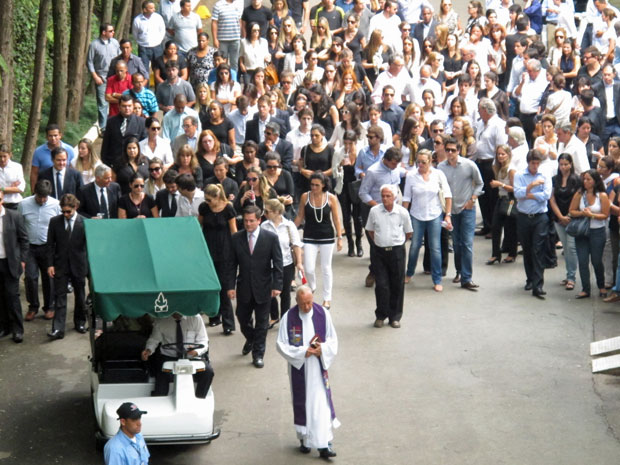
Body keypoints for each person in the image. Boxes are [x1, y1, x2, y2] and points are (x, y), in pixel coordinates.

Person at [276, 285, 339, 460]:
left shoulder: (322, 314)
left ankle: (324, 444)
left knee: (321, 405)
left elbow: (333, 340)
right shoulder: (288, 318)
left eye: (310, 302)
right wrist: (303, 352)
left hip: (318, 369)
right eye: (303, 304)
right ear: (297, 301)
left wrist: (322, 350)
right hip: (300, 369)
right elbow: (281, 345)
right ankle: (304, 439)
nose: (307, 307)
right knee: (302, 403)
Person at [227, 206, 284, 369]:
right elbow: (231, 264)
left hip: (264, 287)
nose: (248, 224)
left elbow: (278, 263)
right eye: (245, 220)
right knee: (242, 317)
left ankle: (258, 354)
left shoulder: (270, 238)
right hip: (244, 286)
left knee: (262, 323)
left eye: (251, 220)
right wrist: (230, 286)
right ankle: (251, 338)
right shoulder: (236, 238)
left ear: (259, 220)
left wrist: (277, 284)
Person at [438, 137, 484, 289]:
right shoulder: (440, 168)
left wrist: (473, 198)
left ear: (459, 151)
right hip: (451, 210)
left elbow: (479, 183)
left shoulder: (469, 165)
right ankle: (459, 271)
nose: (450, 153)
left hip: (467, 209)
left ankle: (467, 277)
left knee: (467, 243)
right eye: (448, 150)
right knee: (457, 243)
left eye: (453, 150)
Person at [402, 150, 452, 292]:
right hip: (416, 215)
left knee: (435, 247)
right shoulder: (411, 176)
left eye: (423, 162)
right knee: (414, 246)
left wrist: (447, 215)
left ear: (430, 161)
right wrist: (403, 218)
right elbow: (407, 198)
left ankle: (437, 279)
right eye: (418, 162)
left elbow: (448, 195)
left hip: (434, 214)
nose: (420, 165)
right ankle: (409, 272)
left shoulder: (438, 174)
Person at [366, 184, 412, 328]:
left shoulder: (402, 212)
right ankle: (381, 315)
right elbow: (370, 230)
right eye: (383, 196)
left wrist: (396, 243)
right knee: (381, 285)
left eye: (388, 196)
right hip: (379, 252)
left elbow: (408, 232)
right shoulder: (374, 211)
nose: (385, 199)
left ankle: (395, 316)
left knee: (397, 283)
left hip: (397, 251)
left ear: (395, 197)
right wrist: (380, 242)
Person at [295, 172, 343, 309]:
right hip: (310, 236)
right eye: (312, 185)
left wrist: (339, 237)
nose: (314, 187)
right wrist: (291, 230)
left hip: (327, 236)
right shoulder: (305, 196)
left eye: (317, 185)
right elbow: (300, 216)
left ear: (323, 185)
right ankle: (312, 286)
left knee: (326, 268)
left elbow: (336, 218)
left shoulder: (331, 198)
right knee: (309, 268)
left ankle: (327, 298)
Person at [141, 312, 214, 398]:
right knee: (161, 377)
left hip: (191, 357)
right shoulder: (161, 321)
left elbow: (203, 340)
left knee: (208, 372)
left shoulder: (195, 318)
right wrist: (148, 350)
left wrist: (196, 351)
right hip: (169, 358)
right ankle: (160, 401)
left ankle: (200, 397)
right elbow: (154, 339)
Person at [46, 194, 88, 339]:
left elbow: (89, 247)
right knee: (60, 297)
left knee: (80, 296)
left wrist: (88, 267)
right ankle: (58, 328)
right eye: (63, 211)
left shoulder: (84, 222)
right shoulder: (55, 222)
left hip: (79, 264)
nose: (65, 214)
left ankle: (80, 322)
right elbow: (50, 244)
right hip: (61, 264)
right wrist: (50, 264)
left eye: (68, 212)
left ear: (75, 207)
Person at [514, 150, 553, 299]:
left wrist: (528, 195)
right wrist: (531, 186)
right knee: (527, 248)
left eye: (537, 163)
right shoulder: (519, 175)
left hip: (540, 217)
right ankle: (530, 278)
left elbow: (546, 196)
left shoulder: (544, 175)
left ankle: (538, 285)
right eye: (533, 163)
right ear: (528, 162)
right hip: (523, 216)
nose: (535, 166)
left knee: (538, 249)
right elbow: (517, 194)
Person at [19, 180, 60, 323]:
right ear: (34, 193)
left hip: (47, 247)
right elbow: (20, 224)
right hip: (30, 247)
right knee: (30, 277)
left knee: (48, 277)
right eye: (39, 197)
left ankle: (49, 306)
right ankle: (33, 306)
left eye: (45, 197)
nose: (42, 200)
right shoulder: (24, 204)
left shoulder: (55, 205)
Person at [199, 184, 237, 332]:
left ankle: (228, 323)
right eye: (206, 200)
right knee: (211, 285)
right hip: (208, 249)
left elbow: (233, 231)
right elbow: (199, 225)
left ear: (217, 197)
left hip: (225, 251)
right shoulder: (204, 208)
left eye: (209, 200)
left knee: (224, 286)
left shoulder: (228, 208)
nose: (207, 202)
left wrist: (237, 250)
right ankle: (214, 316)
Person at [569, 169, 611, 298]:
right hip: (582, 232)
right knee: (582, 261)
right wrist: (582, 213)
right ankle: (585, 288)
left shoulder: (602, 196)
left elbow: (605, 214)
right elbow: (572, 210)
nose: (585, 182)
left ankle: (601, 285)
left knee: (596, 261)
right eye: (584, 179)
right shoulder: (579, 194)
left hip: (597, 231)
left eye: (589, 179)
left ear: (595, 181)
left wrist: (591, 215)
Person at [262, 198, 303, 327]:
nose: (264, 213)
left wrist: (299, 263)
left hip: (286, 264)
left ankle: (285, 318)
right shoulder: (264, 226)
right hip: (268, 264)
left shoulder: (289, 226)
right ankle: (274, 316)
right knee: (269, 292)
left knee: (285, 293)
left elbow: (296, 245)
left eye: (267, 211)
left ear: (276, 212)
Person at [549, 153, 581, 291]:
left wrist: (567, 216)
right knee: (566, 249)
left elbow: (577, 199)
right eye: (561, 164)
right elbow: (552, 199)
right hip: (559, 218)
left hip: (572, 219)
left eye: (566, 164)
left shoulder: (577, 180)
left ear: (571, 164)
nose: (563, 167)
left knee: (572, 248)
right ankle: (569, 275)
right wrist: (560, 216)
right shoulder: (554, 179)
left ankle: (572, 277)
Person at [0, 189, 27, 343]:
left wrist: (22, 260)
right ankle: (5, 327)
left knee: (12, 296)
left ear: (2, 200)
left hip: (10, 262)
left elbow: (24, 239)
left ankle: (18, 329)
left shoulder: (13, 216)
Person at [488, 145, 518, 265]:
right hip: (501, 199)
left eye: (503, 154)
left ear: (508, 155)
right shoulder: (498, 168)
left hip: (509, 199)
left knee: (510, 227)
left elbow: (515, 189)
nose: (500, 156)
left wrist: (500, 184)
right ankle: (496, 254)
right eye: (498, 154)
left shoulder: (511, 170)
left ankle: (512, 253)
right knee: (495, 227)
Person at [87, 23, 120, 133]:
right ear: (103, 32)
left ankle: (117, 123)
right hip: (101, 78)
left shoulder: (115, 43)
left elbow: (120, 57)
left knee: (117, 100)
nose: (113, 32)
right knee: (102, 103)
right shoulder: (94, 45)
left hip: (115, 77)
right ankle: (103, 127)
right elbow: (89, 62)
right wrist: (95, 77)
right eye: (110, 31)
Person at [101, 96, 147, 170]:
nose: (127, 108)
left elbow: (144, 146)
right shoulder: (111, 122)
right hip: (115, 166)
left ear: (133, 106)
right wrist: (108, 166)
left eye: (129, 106)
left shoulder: (141, 122)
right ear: (119, 107)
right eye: (124, 106)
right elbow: (105, 146)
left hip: (134, 166)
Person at [31, 124, 76, 190]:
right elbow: (34, 173)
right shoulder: (38, 152)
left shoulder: (69, 150)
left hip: (66, 186)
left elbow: (73, 171)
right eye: (50, 136)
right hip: (45, 187)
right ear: (46, 137)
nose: (53, 138)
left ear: (60, 135)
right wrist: (34, 191)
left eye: (55, 135)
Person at [211, 0, 243, 73]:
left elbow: (239, 21)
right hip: (222, 40)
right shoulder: (218, 5)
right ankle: (221, 81)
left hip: (235, 39)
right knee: (222, 62)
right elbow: (214, 22)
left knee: (234, 63)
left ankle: (233, 81)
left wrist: (240, 35)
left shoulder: (237, 5)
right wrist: (215, 39)